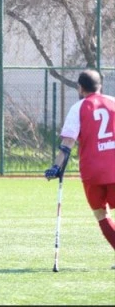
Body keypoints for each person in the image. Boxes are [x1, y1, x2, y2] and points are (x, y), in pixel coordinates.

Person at [45, 69, 115, 268]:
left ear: (80, 88)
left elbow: (68, 142)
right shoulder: (113, 102)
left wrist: (56, 166)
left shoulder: (78, 108)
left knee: (102, 215)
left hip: (93, 172)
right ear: (100, 85)